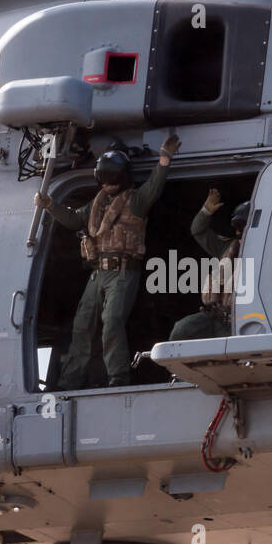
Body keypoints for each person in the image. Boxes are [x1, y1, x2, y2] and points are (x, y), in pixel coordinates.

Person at [36, 134, 180, 388]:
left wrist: (165, 158)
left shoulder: (135, 201)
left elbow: (154, 187)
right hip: (97, 274)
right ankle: (70, 380)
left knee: (112, 323)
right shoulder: (97, 203)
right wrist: (49, 205)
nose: (108, 185)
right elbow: (73, 220)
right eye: (104, 180)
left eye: (112, 180)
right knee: (82, 327)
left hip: (123, 272)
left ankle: (118, 377)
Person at [169, 190, 249, 341]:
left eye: (244, 227)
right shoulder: (227, 248)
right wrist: (206, 211)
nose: (240, 232)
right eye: (238, 227)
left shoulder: (266, 254)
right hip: (214, 316)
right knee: (181, 331)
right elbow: (198, 231)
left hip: (241, 319)